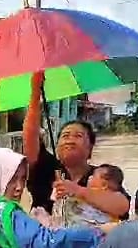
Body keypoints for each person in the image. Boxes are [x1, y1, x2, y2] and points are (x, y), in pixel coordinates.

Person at [23, 72, 131, 219]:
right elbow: (30, 139)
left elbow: (122, 206)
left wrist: (78, 191)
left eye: (78, 136)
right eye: (65, 136)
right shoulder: (45, 169)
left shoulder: (101, 176)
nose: (70, 140)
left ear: (91, 148)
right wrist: (35, 94)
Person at [41, 164, 125, 228]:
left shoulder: (111, 201)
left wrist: (76, 190)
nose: (90, 177)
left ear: (104, 185)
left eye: (93, 176)